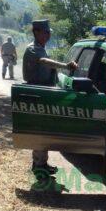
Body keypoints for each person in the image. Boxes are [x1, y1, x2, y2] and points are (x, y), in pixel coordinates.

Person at [23, 19, 78, 178]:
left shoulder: (40, 48)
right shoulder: (33, 49)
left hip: (43, 93)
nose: (49, 34)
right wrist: (65, 65)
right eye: (46, 32)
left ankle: (41, 163)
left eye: (49, 32)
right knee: (40, 131)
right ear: (37, 32)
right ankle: (39, 165)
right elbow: (45, 62)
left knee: (44, 131)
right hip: (36, 94)